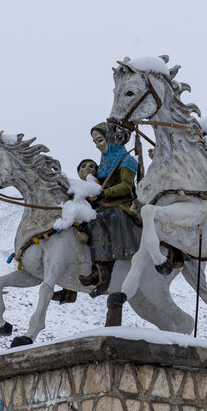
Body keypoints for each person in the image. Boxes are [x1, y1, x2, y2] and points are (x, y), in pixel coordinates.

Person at [78, 123, 142, 325]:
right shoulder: (104, 162)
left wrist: (103, 193)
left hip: (120, 204)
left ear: (112, 139)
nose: (98, 145)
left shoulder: (127, 160)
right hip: (103, 202)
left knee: (102, 218)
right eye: (95, 142)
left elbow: (125, 186)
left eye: (101, 140)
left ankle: (103, 272)